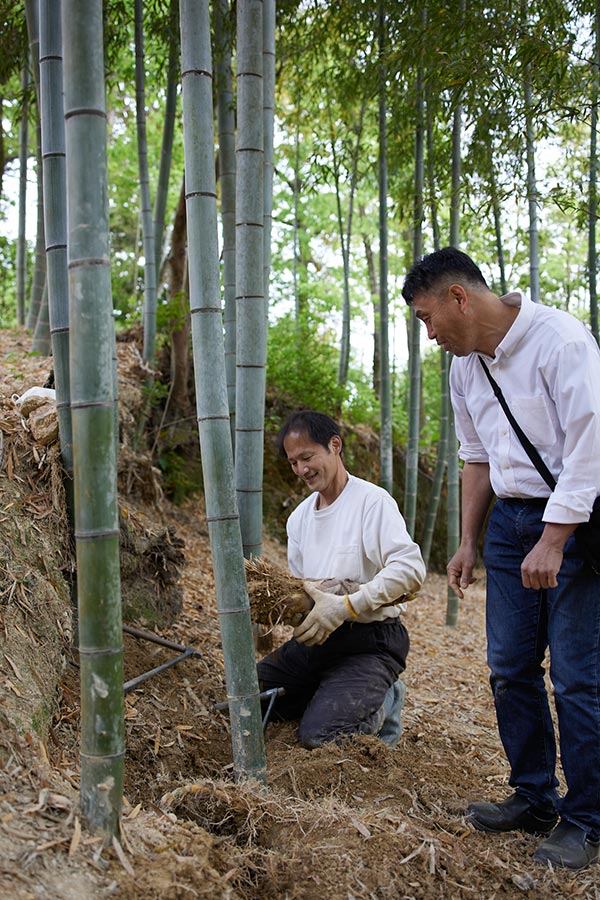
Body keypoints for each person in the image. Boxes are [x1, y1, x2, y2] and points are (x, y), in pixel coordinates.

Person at [402, 246, 600, 871]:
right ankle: (533, 795)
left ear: (459, 297)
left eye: (427, 318)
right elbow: (478, 457)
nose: (429, 334)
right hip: (510, 526)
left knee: (575, 677)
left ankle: (588, 820)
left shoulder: (561, 342)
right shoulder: (466, 368)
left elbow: (591, 447)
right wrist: (467, 541)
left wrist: (555, 537)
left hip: (572, 522)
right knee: (510, 667)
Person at [257, 410, 425, 750]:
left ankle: (386, 700)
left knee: (320, 737)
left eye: (307, 457)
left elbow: (410, 569)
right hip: (318, 642)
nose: (301, 470)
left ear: (335, 445)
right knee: (248, 699)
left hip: (370, 640)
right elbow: (303, 585)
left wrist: (347, 605)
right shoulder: (299, 518)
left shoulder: (372, 502)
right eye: (293, 463)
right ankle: (328, 693)